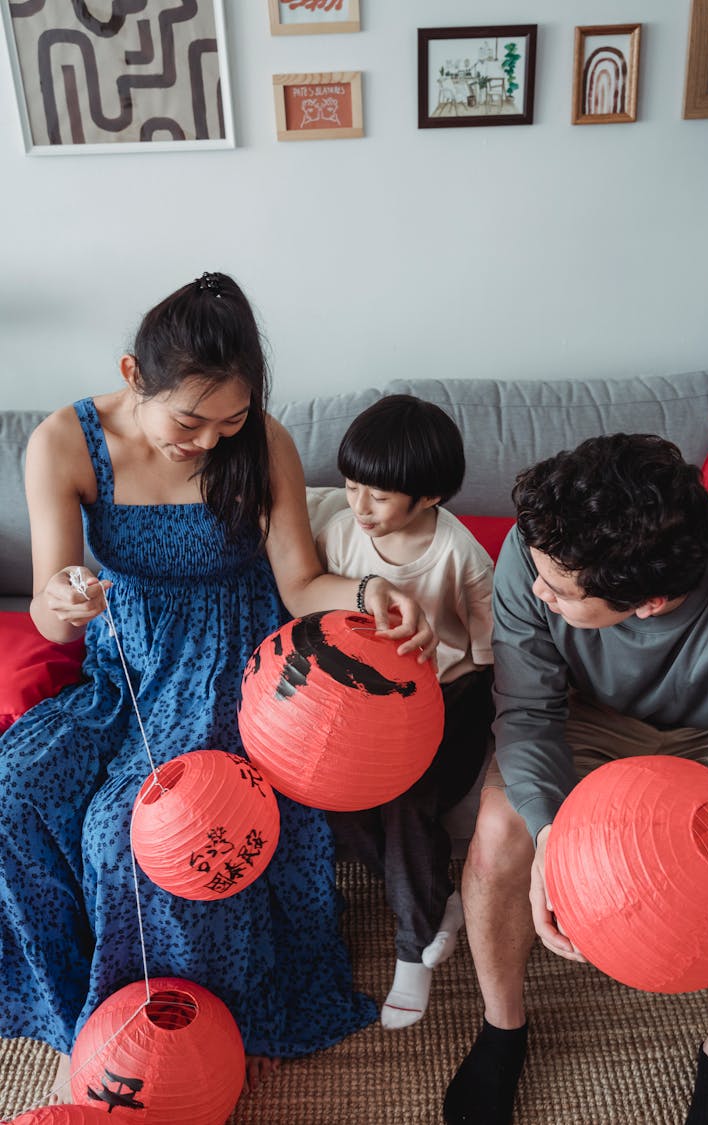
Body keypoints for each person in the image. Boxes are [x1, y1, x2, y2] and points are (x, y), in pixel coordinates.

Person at [0, 272, 437, 1100]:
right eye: (189, 420)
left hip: (235, 659)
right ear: (134, 376)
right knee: (12, 788)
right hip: (126, 661)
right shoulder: (62, 441)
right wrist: (62, 599)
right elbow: (53, 618)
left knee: (147, 827)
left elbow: (303, 581)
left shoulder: (261, 442)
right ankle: (73, 1008)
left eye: (229, 420)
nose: (207, 440)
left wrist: (367, 593)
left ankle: (219, 1011)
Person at [444, 432, 708, 1125]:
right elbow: (525, 711)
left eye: (556, 592)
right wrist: (553, 829)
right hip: (586, 718)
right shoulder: (535, 546)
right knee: (498, 832)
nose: (534, 588)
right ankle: (503, 1026)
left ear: (647, 602)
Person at [316, 394, 495, 1029]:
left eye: (379, 496)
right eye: (352, 486)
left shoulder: (461, 555)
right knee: (333, 796)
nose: (359, 506)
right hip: (368, 705)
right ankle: (438, 899)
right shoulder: (338, 530)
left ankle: (414, 950)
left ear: (429, 498)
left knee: (406, 796)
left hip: (452, 698)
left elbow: (488, 654)